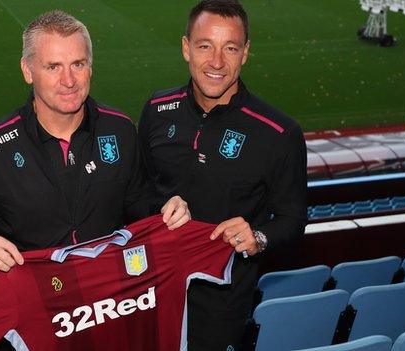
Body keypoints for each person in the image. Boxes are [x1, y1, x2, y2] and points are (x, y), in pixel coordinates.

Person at [0, 10, 190, 274]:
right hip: (36, 302)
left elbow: (141, 204)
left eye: (78, 64)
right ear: (27, 70)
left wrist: (168, 207)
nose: (69, 81)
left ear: (91, 66)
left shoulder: (121, 130)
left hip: (109, 298)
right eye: (53, 67)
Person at [138, 1, 307, 350]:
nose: (217, 62)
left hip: (220, 309)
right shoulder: (156, 110)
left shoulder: (279, 133)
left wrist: (258, 236)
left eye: (230, 48)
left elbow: (293, 218)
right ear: (186, 48)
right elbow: (137, 190)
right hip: (148, 295)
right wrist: (159, 204)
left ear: (245, 53)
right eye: (205, 46)